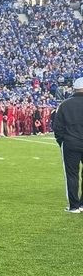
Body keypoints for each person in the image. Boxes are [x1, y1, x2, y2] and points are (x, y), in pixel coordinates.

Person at [53, 76, 83, 212]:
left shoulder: (64, 104)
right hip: (74, 141)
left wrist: (62, 142)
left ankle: (74, 206)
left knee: (71, 175)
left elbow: (57, 127)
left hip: (71, 143)